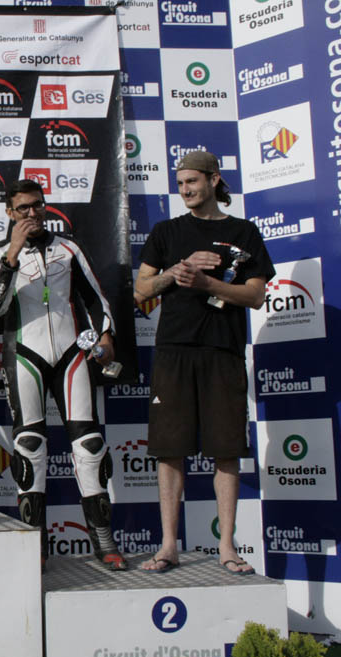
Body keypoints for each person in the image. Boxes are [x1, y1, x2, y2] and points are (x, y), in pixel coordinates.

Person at [134, 150, 273, 574]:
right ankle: (168, 545)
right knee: (169, 451)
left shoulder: (244, 232)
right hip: (174, 350)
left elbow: (256, 296)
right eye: (180, 184)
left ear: (214, 180)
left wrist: (208, 282)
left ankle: (227, 546)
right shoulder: (166, 231)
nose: (185, 190)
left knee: (225, 451)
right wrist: (179, 270)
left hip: (222, 352)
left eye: (192, 181)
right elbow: (141, 290)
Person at [0, 178, 127, 571]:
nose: (33, 213)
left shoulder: (69, 247)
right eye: (23, 208)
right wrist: (13, 253)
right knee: (29, 445)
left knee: (90, 445)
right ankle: (35, 547)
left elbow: (95, 297)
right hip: (24, 354)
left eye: (38, 205)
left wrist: (106, 335)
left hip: (71, 353)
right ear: (10, 213)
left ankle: (104, 541)